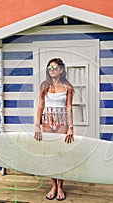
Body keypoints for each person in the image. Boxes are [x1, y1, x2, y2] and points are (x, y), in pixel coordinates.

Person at [34, 58, 74, 201]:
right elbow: (41, 106)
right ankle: (53, 186)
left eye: (55, 67)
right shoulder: (44, 85)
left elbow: (69, 107)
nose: (52, 70)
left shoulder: (68, 87)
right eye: (49, 68)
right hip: (47, 123)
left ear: (62, 69)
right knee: (51, 155)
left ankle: (61, 186)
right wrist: (37, 125)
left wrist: (71, 128)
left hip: (62, 123)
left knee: (61, 155)